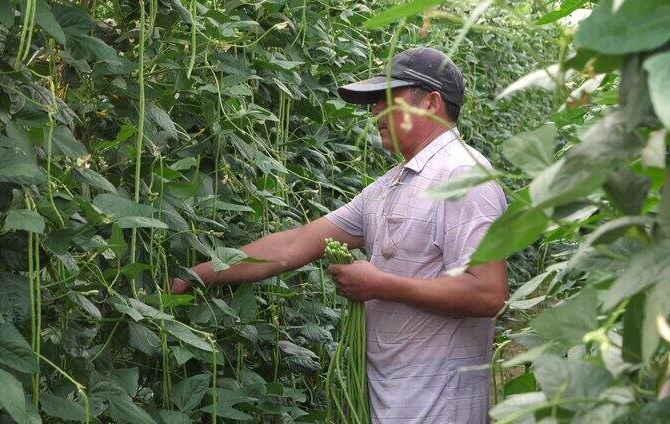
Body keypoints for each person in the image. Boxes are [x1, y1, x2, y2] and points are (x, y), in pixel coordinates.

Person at [171, 47, 508, 424]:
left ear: (430, 103)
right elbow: (292, 245)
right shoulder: (391, 186)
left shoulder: (463, 177)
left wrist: (380, 284)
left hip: (440, 403)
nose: (375, 111)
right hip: (388, 396)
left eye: (387, 99)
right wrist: (196, 275)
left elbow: (488, 293)